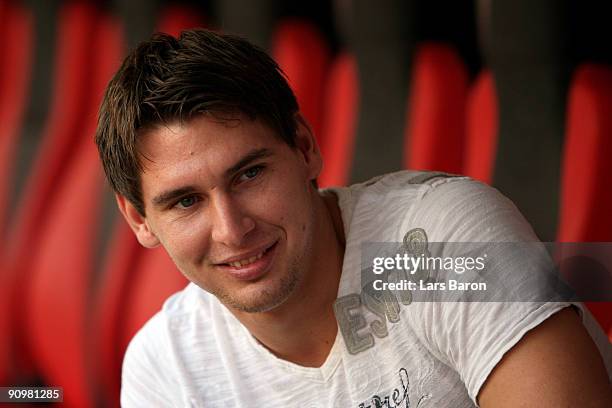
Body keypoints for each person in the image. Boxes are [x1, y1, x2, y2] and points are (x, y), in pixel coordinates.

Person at [95, 29, 612, 407]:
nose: (232, 230)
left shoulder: (436, 246)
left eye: (249, 174)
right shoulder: (167, 367)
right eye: (185, 201)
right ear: (140, 219)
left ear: (304, 148)